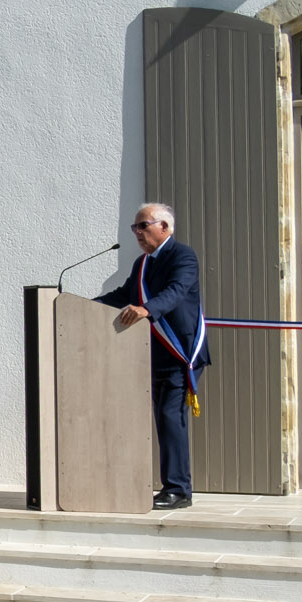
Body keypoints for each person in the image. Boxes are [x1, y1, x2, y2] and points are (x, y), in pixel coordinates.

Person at [97, 203, 210, 510]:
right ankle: (173, 485)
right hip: (154, 354)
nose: (137, 232)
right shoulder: (142, 263)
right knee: (163, 417)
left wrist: (147, 309)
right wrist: (84, 303)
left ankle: (178, 490)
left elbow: (176, 291)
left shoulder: (183, 256)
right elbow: (124, 295)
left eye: (142, 226)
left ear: (164, 227)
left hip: (180, 352)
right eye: (134, 227)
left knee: (170, 417)